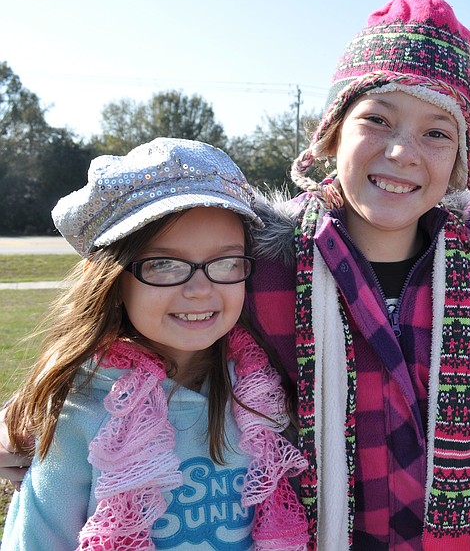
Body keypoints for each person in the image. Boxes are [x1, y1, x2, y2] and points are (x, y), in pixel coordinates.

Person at [244, 0, 470, 550]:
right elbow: (159, 356)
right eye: (378, 120)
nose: (401, 152)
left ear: (459, 162)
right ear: (332, 133)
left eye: (437, 132)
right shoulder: (261, 266)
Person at [1, 138, 308, 550]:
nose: (201, 289)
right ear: (113, 279)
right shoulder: (80, 412)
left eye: (227, 262)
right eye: (164, 264)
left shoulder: (261, 392)